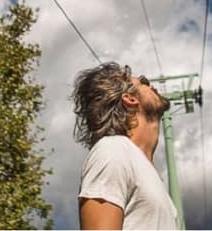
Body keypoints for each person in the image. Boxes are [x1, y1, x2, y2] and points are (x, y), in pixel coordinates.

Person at [72, 62, 178, 230]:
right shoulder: (112, 150)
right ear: (129, 99)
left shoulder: (148, 172)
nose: (151, 84)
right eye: (143, 81)